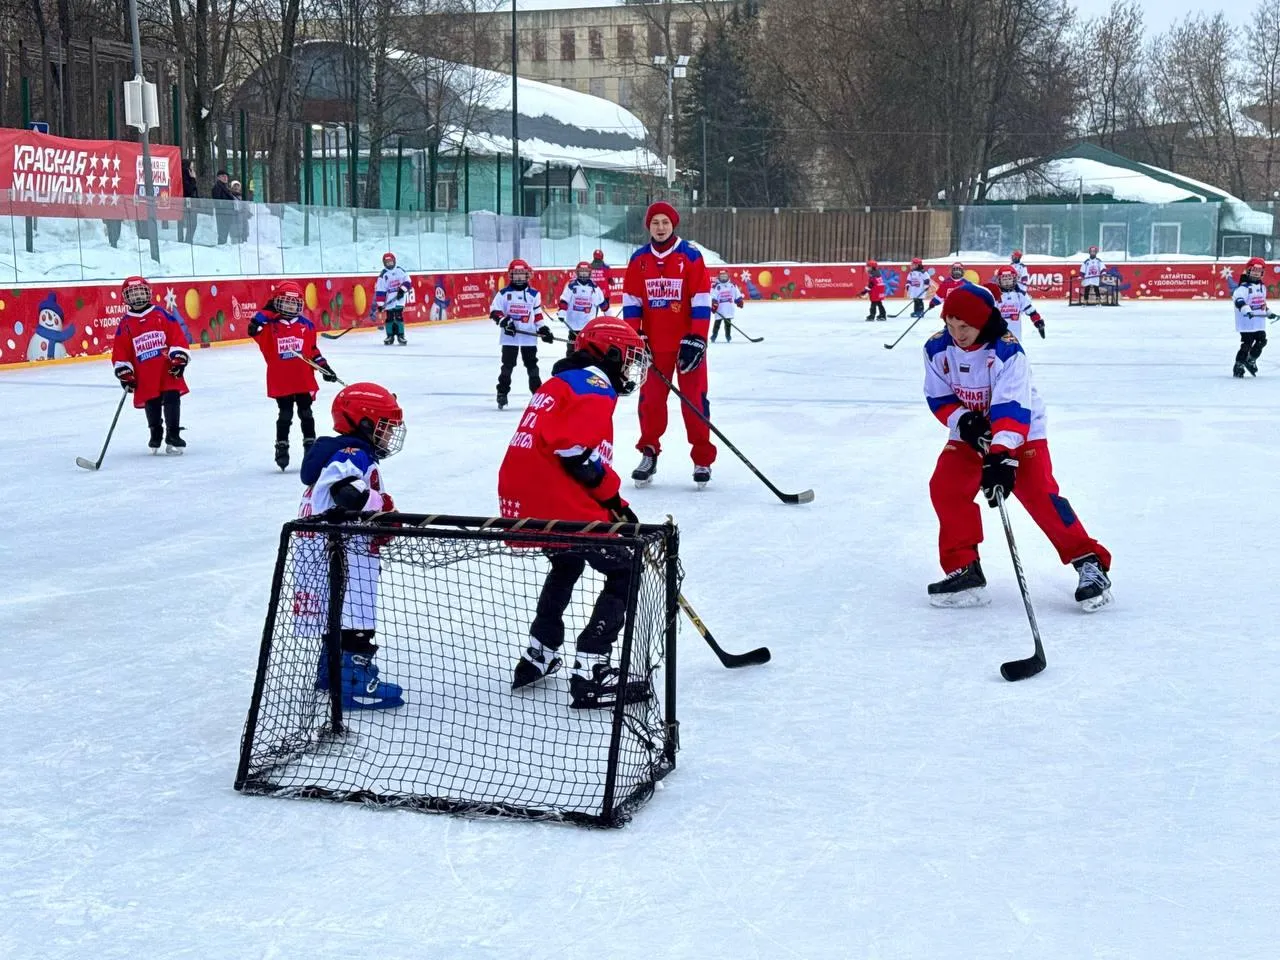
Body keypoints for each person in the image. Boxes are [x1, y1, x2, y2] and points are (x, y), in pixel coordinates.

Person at [924, 281, 1113, 612]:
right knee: (945, 487)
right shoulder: (936, 347)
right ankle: (965, 569)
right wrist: (963, 421)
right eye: (950, 325)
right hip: (972, 430)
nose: (957, 334)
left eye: (964, 326)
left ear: (982, 321)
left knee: (1038, 492)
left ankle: (1089, 561)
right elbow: (938, 396)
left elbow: (1012, 408)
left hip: (1021, 428)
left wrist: (1000, 456)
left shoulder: (1008, 351)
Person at [498, 316, 652, 708]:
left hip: (527, 495)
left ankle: (540, 651)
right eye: (628, 358)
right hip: (557, 498)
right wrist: (613, 500)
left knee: (567, 559)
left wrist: (614, 504)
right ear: (610, 354)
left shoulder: (562, 381)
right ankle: (591, 668)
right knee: (625, 569)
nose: (631, 369)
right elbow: (574, 451)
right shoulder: (594, 384)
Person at [299, 382, 408, 710]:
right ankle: (352, 681)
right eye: (385, 426)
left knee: (338, 610)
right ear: (364, 423)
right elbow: (345, 492)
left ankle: (331, 671)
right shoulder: (353, 454)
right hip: (344, 550)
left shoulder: (345, 451)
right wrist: (382, 507)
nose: (390, 434)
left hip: (329, 547)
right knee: (355, 612)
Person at [622, 200, 715, 488]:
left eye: (665, 222)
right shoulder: (639, 260)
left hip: (687, 346)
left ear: (673, 224)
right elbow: (632, 301)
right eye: (655, 223)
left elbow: (701, 299)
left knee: (694, 402)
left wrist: (697, 337)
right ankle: (649, 453)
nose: (660, 227)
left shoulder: (690, 256)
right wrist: (636, 335)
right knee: (650, 402)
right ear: (648, 226)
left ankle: (702, 459)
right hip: (653, 348)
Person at [248, 280, 340, 470]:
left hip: (303, 379)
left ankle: (310, 446)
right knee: (285, 414)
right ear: (276, 303)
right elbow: (253, 328)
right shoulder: (269, 326)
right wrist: (267, 311)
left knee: (306, 413)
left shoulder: (307, 325)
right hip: (281, 380)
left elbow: (313, 352)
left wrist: (325, 368)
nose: (290, 307)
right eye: (286, 302)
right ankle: (281, 446)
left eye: (294, 303)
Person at [111, 276, 190, 455]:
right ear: (126, 297)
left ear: (148, 293)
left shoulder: (161, 314)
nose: (138, 297)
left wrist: (179, 357)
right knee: (151, 400)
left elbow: (176, 335)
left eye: (140, 292)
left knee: (172, 397)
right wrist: (125, 372)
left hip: (167, 368)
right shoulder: (126, 323)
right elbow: (121, 350)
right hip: (144, 371)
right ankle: (155, 432)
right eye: (133, 294)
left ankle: (173, 434)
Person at [491, 258, 554, 409]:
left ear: (527, 275)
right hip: (509, 338)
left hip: (528, 337)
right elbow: (494, 311)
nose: (519, 277)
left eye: (521, 274)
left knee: (532, 365)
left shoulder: (534, 294)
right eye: (516, 274)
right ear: (511, 275)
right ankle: (502, 393)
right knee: (507, 365)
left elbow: (537, 314)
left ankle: (537, 393)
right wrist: (504, 321)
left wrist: (543, 329)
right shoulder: (503, 293)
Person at [1232, 256, 1274, 377]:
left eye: (1259, 271)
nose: (1256, 274)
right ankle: (1239, 364)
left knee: (1262, 340)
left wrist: (1268, 312)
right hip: (1246, 323)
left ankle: (1250, 360)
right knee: (1247, 343)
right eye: (1254, 270)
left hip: (1258, 322)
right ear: (1248, 270)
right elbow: (1239, 300)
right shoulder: (1243, 288)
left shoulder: (1262, 288)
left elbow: (1262, 303)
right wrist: (1246, 309)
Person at [557, 260, 607, 355]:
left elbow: (603, 303)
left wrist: (609, 316)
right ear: (577, 272)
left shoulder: (595, 288)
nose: (583, 274)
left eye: (586, 272)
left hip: (589, 327)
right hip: (573, 326)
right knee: (572, 351)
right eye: (581, 272)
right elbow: (564, 301)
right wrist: (562, 312)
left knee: (588, 350)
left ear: (590, 273)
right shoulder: (571, 286)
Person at [994, 266, 1045, 340]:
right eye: (1004, 279)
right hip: (997, 334)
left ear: (1014, 279)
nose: (1007, 282)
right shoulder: (995, 295)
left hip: (1015, 334)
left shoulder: (1020, 295)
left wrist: (1038, 322)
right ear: (999, 280)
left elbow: (1030, 310)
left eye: (1009, 279)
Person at [374, 252, 412, 345]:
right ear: (384, 263)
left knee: (399, 317)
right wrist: (380, 304)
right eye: (387, 263)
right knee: (389, 318)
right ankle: (390, 336)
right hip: (389, 300)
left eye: (390, 262)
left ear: (394, 261)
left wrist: (402, 290)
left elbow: (408, 281)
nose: (389, 264)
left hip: (399, 300)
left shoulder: (400, 270)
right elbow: (380, 290)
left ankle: (401, 336)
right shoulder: (383, 275)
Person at [710, 269, 745, 342]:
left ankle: (728, 336)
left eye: (725, 276)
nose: (723, 278)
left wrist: (739, 301)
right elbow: (713, 296)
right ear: (718, 277)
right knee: (717, 323)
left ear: (728, 276)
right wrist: (713, 303)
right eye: (722, 276)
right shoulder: (716, 286)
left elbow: (737, 294)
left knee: (728, 324)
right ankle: (714, 336)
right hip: (719, 309)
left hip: (729, 308)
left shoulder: (732, 285)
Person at [211, 170, 235, 245]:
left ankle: (223, 244)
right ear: (218, 177)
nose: (225, 178)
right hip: (223, 213)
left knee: (225, 231)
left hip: (227, 212)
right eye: (223, 176)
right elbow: (217, 201)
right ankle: (221, 245)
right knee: (222, 231)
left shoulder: (225, 187)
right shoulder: (217, 187)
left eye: (226, 176)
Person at [179, 158, 199, 244]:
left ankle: (187, 239)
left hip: (189, 201)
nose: (193, 169)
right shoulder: (185, 174)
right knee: (192, 222)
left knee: (191, 222)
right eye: (192, 166)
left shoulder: (184, 174)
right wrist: (193, 179)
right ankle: (188, 240)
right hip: (188, 201)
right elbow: (189, 189)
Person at [589, 248, 613, 313]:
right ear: (602, 257)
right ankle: (608, 319)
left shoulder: (589, 267)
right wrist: (611, 282)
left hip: (592, 293)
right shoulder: (606, 267)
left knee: (593, 312)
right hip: (604, 293)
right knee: (606, 310)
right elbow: (610, 281)